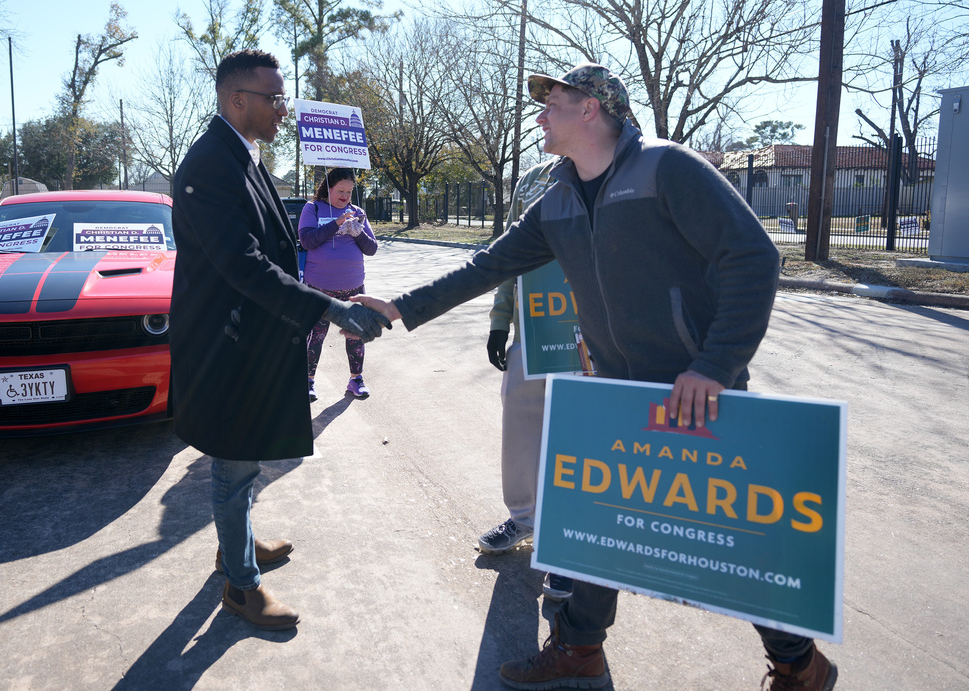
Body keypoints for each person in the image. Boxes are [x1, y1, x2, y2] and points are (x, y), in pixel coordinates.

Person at [352, 63, 836, 690]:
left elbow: (753, 255)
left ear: (591, 110)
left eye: (551, 102)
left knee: (727, 540)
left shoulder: (666, 170)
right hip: (613, 391)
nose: (539, 114)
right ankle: (579, 647)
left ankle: (800, 665)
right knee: (594, 526)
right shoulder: (555, 200)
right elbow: (487, 265)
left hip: (693, 388)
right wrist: (401, 306)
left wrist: (714, 367)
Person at [170, 48, 390, 631]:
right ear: (235, 99)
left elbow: (277, 246)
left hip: (250, 336)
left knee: (246, 454)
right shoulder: (209, 165)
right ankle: (241, 585)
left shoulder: (243, 155)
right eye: (273, 97)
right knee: (234, 457)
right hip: (226, 339)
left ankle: (233, 545)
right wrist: (330, 308)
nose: (282, 108)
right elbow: (243, 265)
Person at [479, 158, 574, 601]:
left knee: (579, 439)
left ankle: (570, 548)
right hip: (536, 328)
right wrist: (501, 318)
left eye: (556, 105)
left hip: (596, 333)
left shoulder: (627, 173)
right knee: (520, 425)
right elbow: (511, 250)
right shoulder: (535, 178)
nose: (543, 116)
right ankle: (525, 518)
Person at [298, 167, 379, 401]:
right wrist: (336, 223)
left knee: (355, 334)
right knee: (316, 336)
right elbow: (307, 240)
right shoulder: (312, 208)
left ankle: (356, 380)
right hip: (320, 289)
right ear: (329, 188)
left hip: (353, 288)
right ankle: (308, 381)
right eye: (340, 190)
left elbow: (371, 249)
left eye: (350, 191)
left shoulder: (358, 212)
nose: (345, 196)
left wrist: (357, 232)